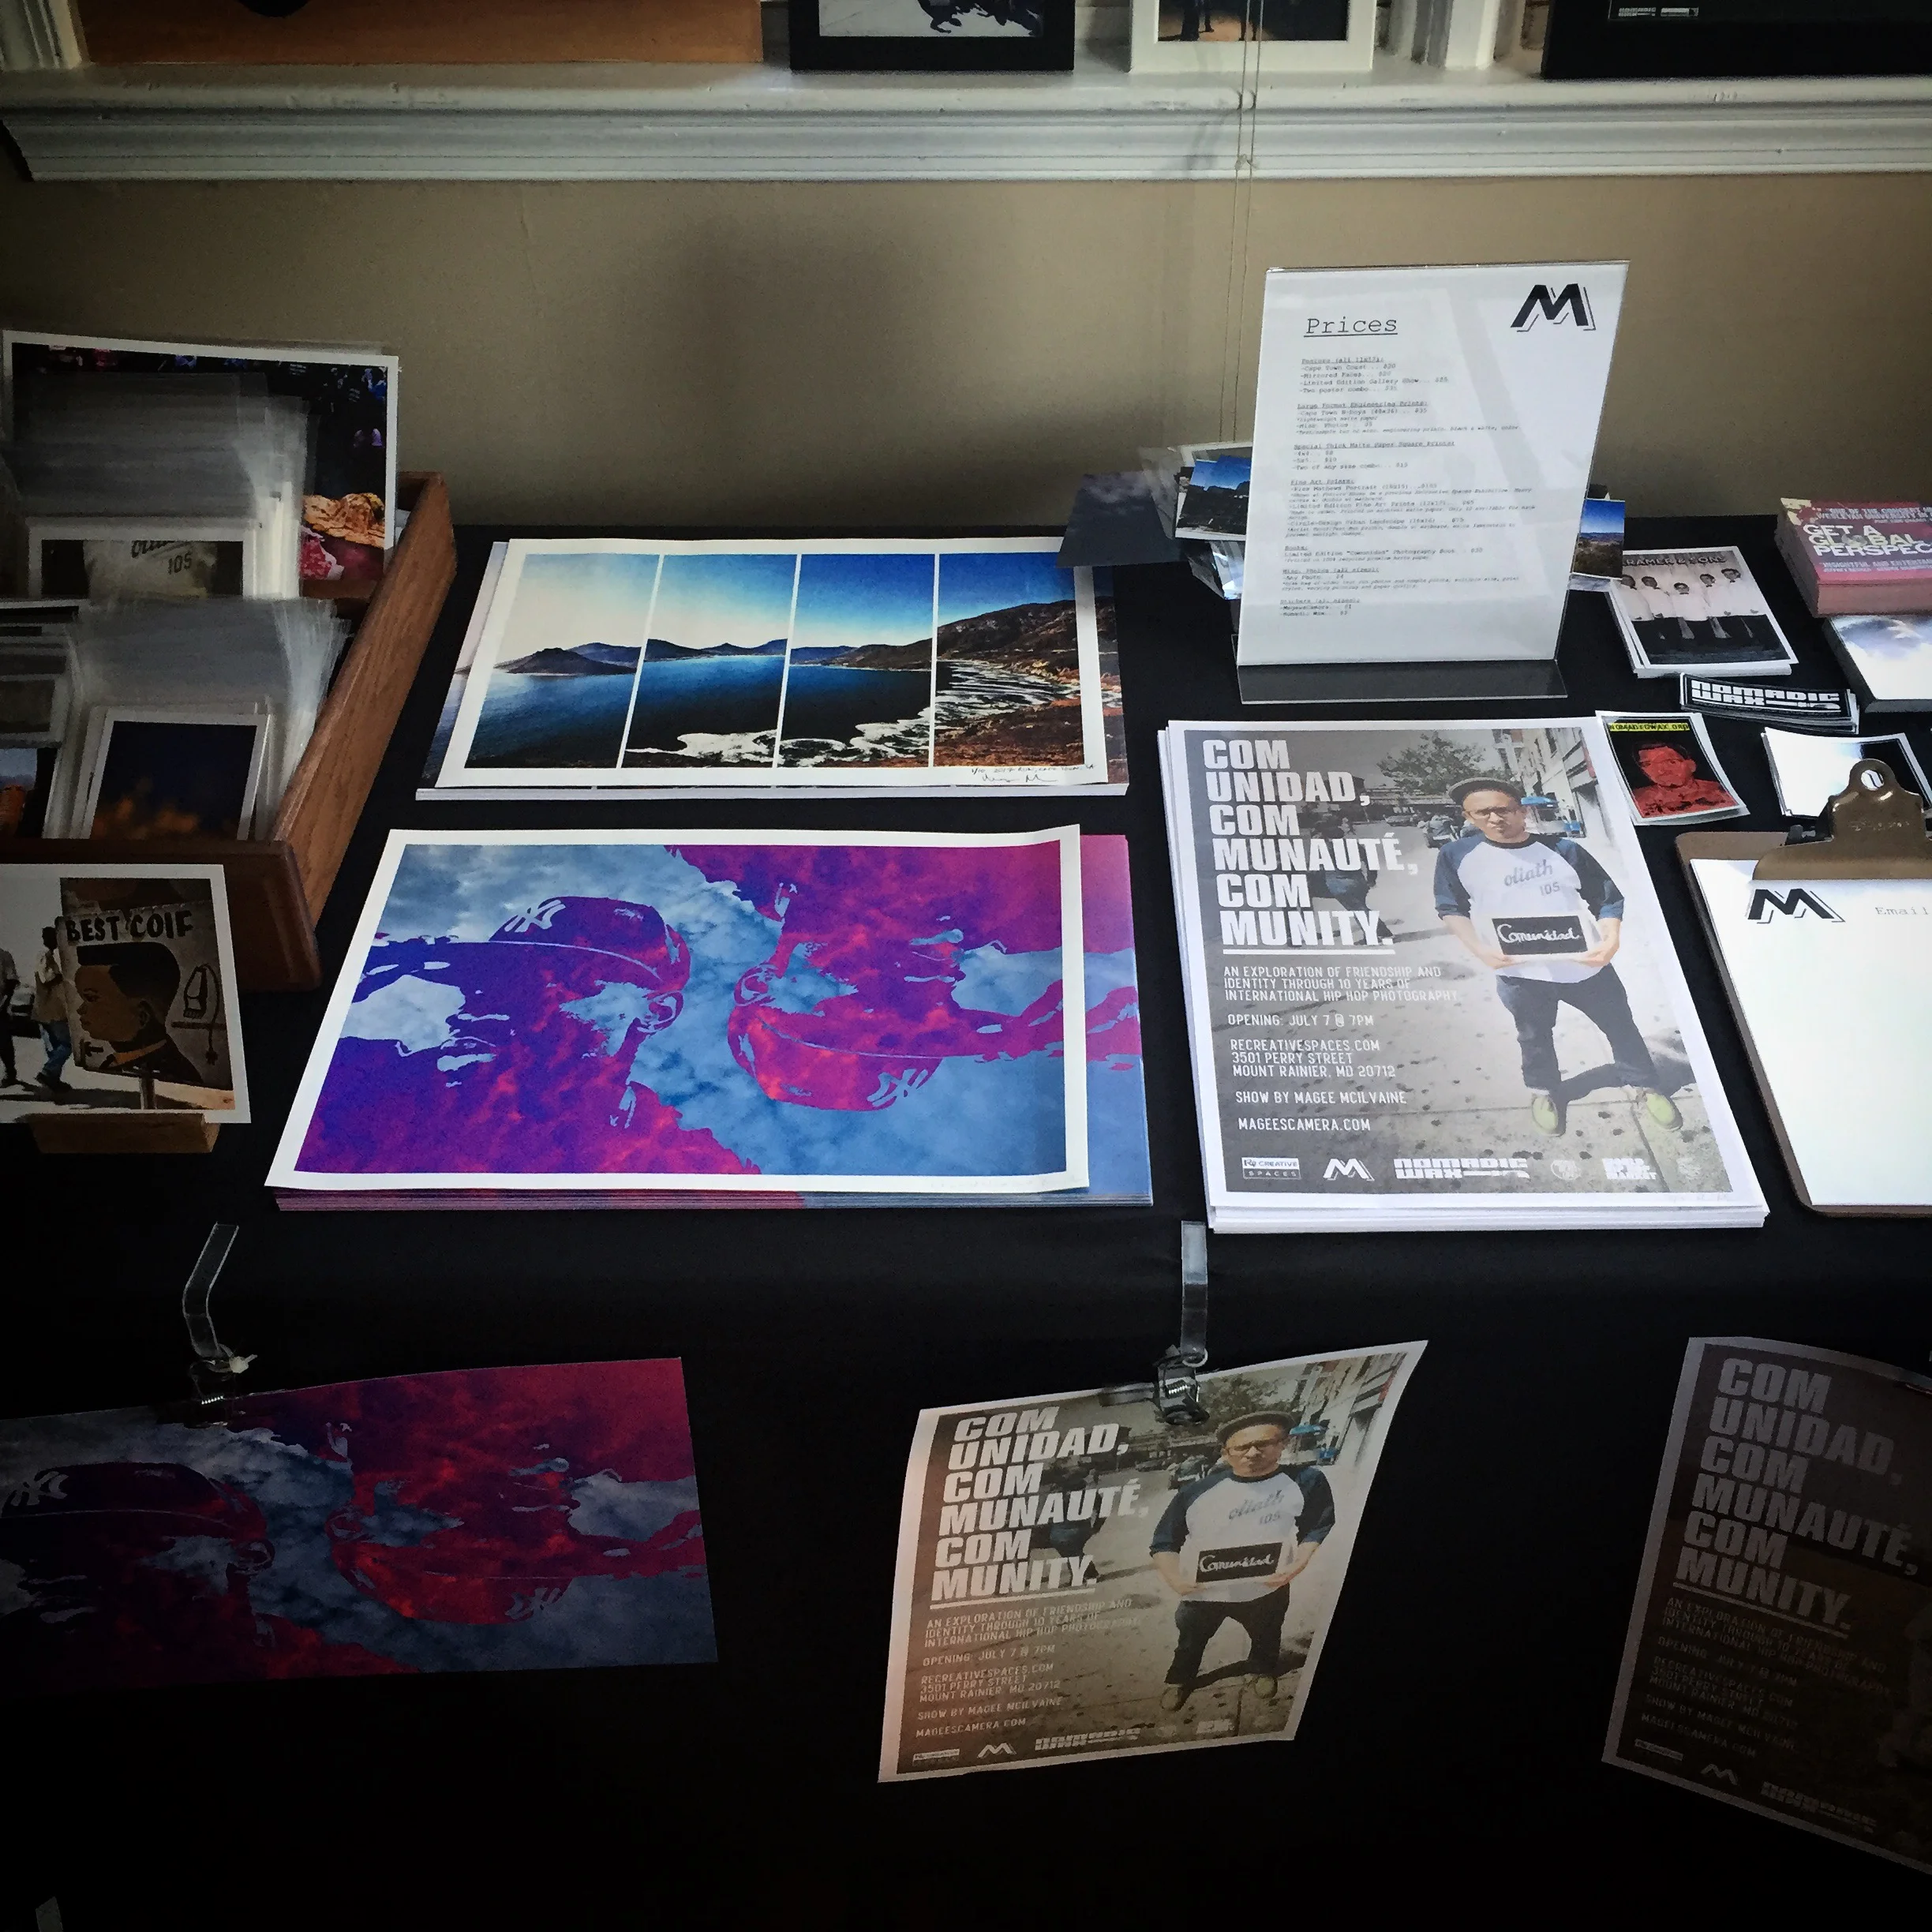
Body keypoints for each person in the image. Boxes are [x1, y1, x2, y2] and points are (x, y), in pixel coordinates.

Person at [1434, 777, 1683, 1136]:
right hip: (1520, 974)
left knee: (1621, 1027)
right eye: (1482, 813)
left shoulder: (1565, 849)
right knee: (1532, 1036)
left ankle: (1646, 1085)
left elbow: (1606, 897)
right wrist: (1480, 949)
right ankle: (1543, 1091)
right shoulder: (1456, 856)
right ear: (1467, 816)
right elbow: (1450, 906)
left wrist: (1611, 939)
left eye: (1503, 809)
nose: (1495, 819)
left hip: (1585, 967)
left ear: (1522, 810)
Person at [1150, 1412, 1334, 1711]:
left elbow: (1317, 1525)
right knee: (1190, 1641)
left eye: (1264, 1444)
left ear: (1283, 1444)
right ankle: (1179, 1680)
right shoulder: (1196, 1492)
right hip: (1205, 1593)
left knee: (1267, 1637)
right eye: (1242, 1447)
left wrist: (1296, 1565)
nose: (1253, 1453)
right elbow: (1164, 1542)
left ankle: (1261, 1670)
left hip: (1267, 1588)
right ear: (1226, 1453)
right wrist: (1175, 1579)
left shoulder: (1307, 1481)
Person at [70, 942, 206, 1089]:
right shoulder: (119, 1062)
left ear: (142, 1016)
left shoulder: (172, 1075)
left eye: (92, 998)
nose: (80, 1010)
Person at [1624, 739, 1735, 820]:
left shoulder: (1723, 792)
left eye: (1671, 762)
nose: (1661, 771)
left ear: (1691, 765)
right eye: (1648, 765)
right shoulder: (1635, 799)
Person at [31, 923, 72, 1091]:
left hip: (47, 1010)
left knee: (55, 1048)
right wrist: (65, 977)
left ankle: (53, 1080)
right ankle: (47, 1072)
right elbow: (46, 979)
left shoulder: (49, 956)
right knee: (68, 1044)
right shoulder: (44, 955)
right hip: (51, 1011)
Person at [0, 939, 19, 1087]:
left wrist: (3, 1006)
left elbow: (11, 983)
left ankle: (10, 1073)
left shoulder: (4, 956)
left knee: (4, 1043)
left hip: (0, 1008)